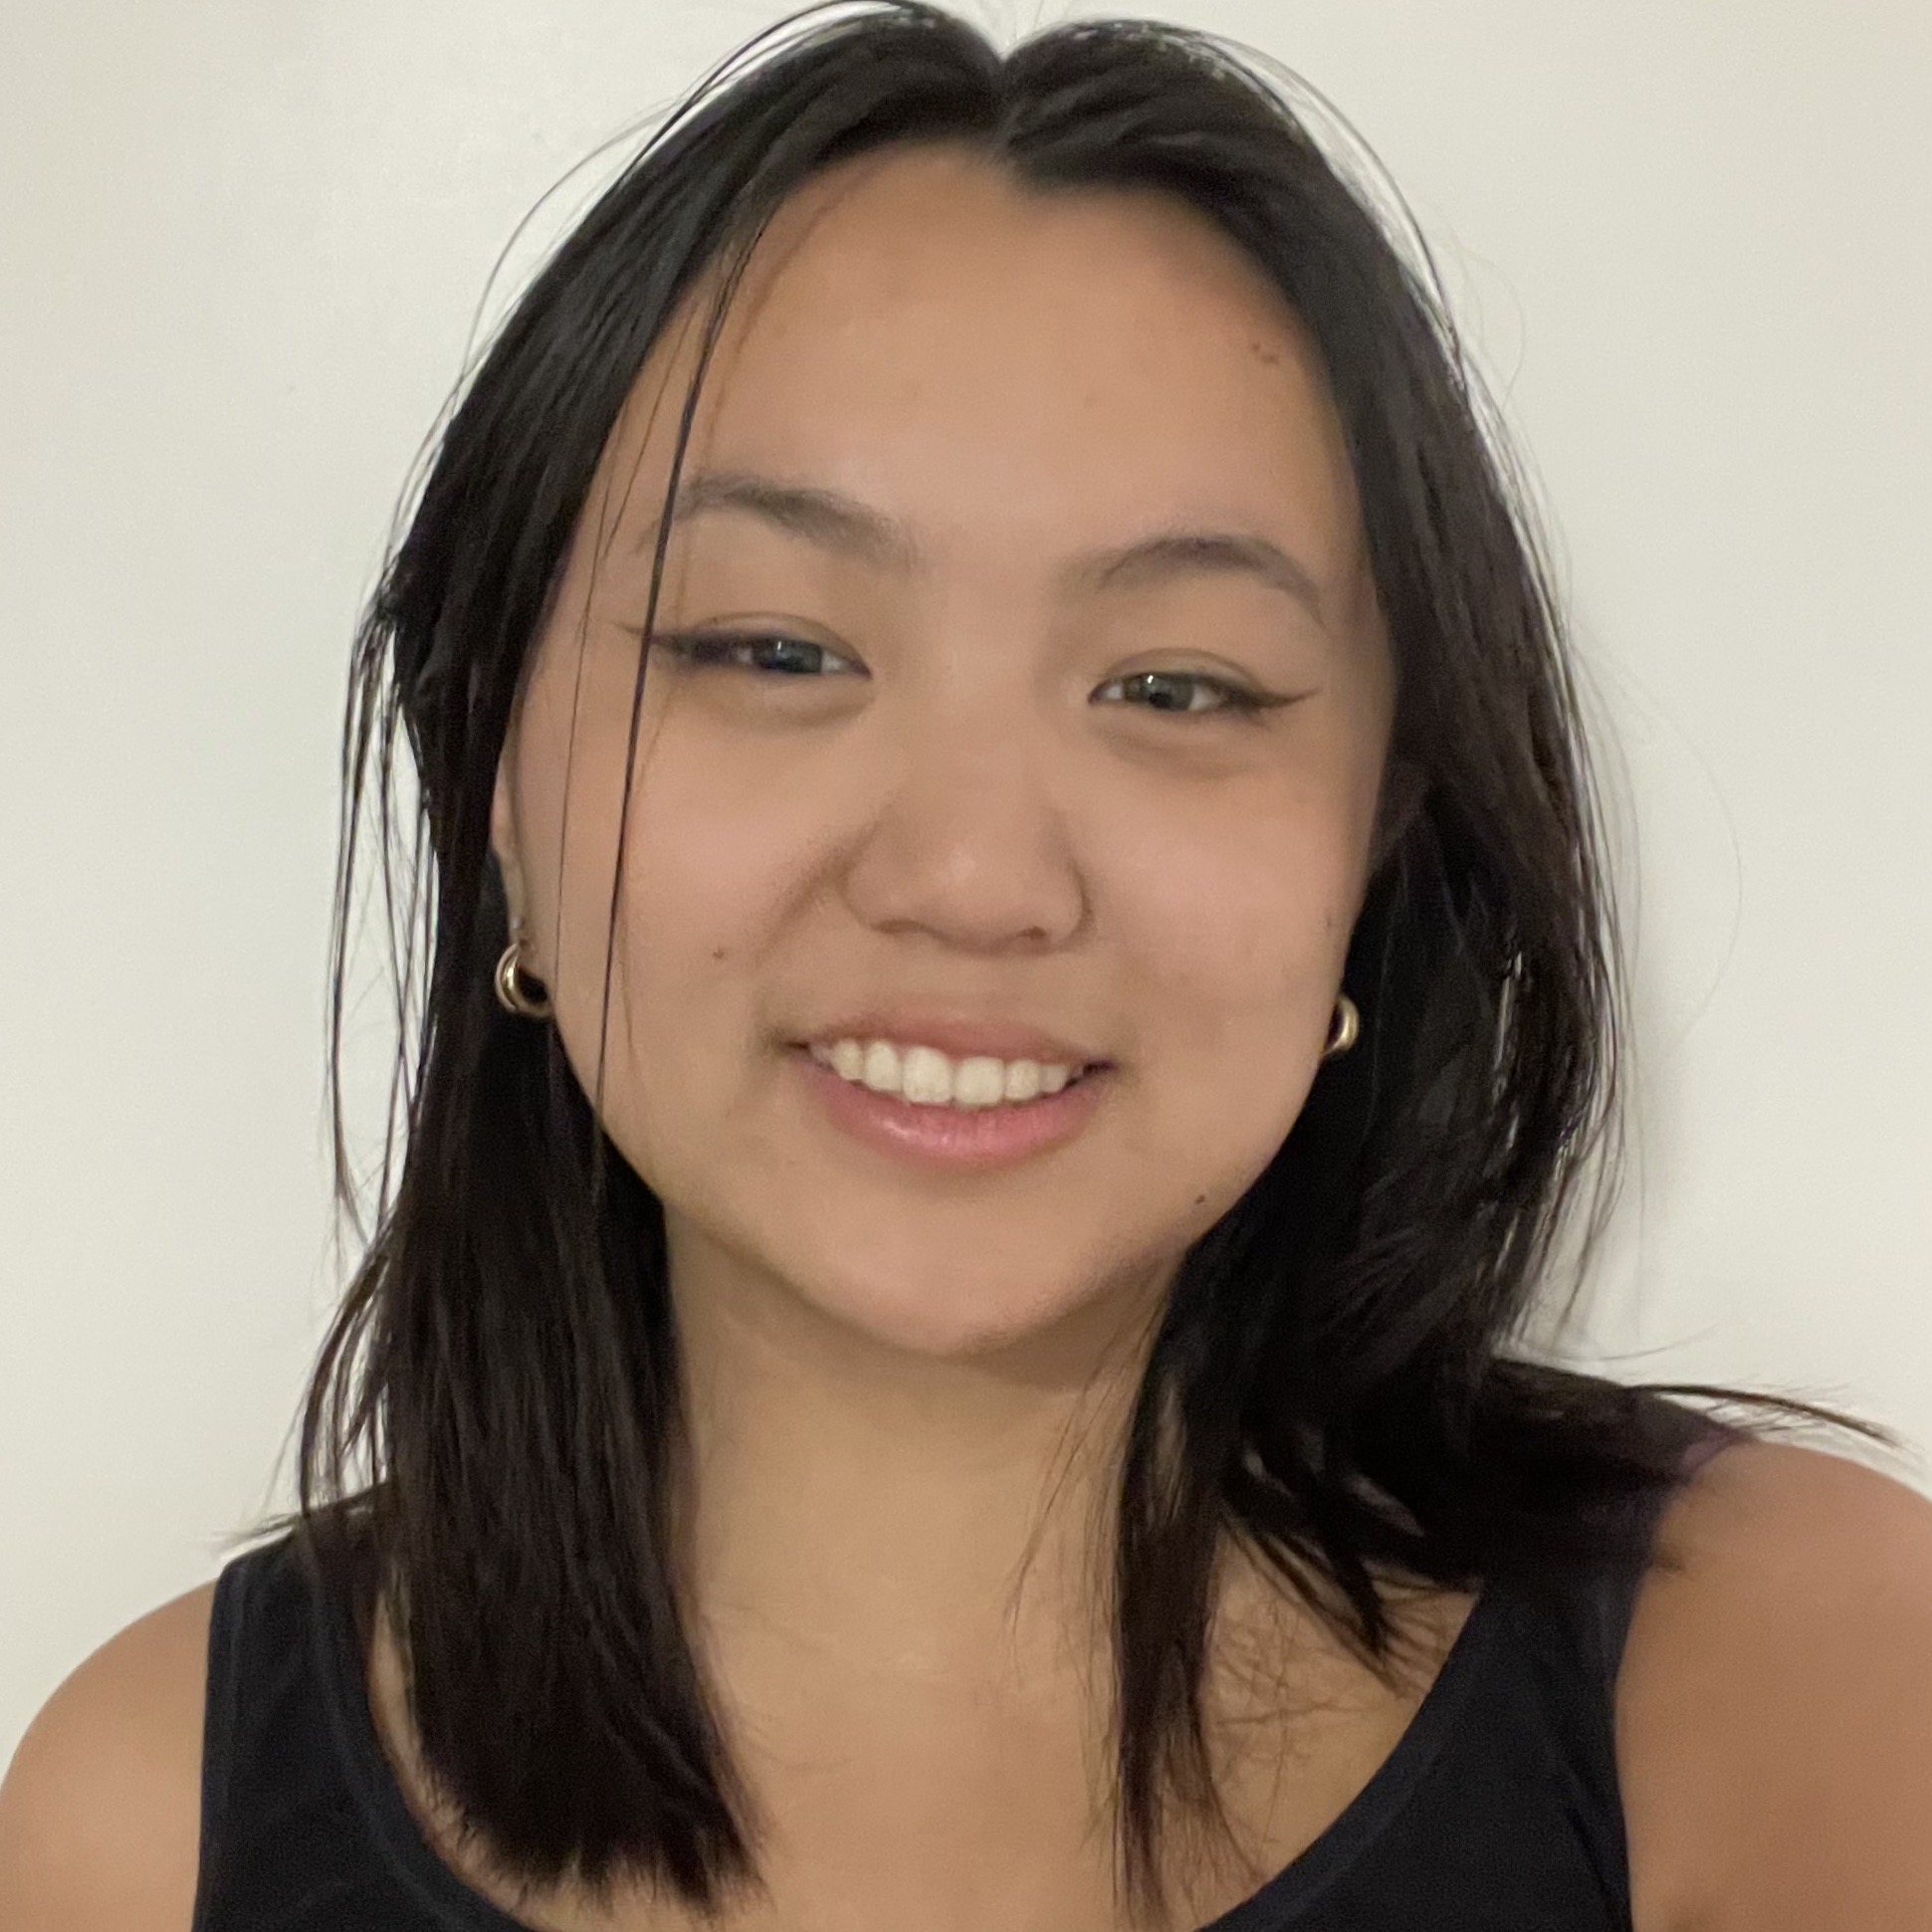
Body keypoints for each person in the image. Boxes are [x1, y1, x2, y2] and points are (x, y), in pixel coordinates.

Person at [3, 4, 1929, 1927]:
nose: (971, 877)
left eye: (1175, 686)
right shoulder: (147, 1829)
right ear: (499, 757)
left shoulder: (1786, 1682)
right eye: (773, 650)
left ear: (1377, 830)